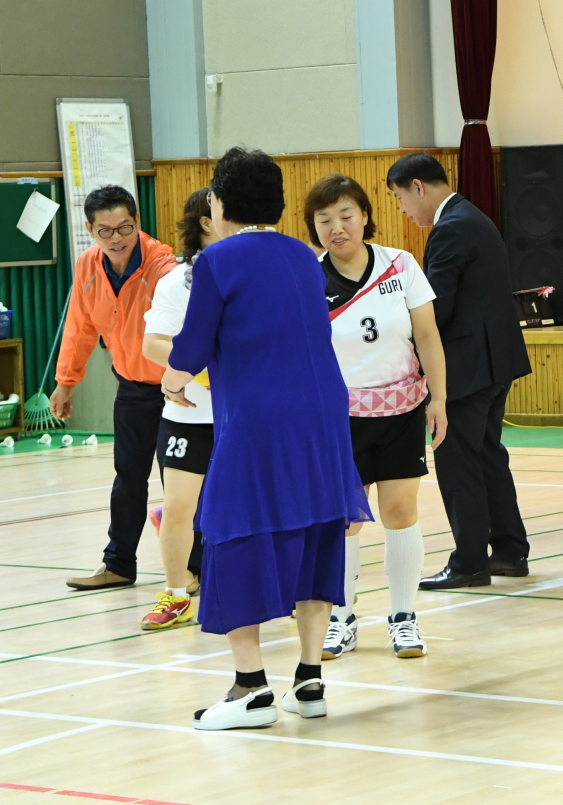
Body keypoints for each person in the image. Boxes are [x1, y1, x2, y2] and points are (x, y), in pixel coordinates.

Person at [162, 147, 371, 730]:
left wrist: (171, 381)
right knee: (315, 529)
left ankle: (251, 688)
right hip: (324, 412)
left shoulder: (217, 261)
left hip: (257, 417)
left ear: (219, 202)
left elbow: (192, 345)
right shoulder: (307, 258)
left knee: (234, 534)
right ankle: (309, 682)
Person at [305, 174, 448, 660]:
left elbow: (427, 335)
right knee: (345, 521)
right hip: (338, 416)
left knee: (400, 512)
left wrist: (439, 398)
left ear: (365, 216)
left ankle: (404, 618)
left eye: (346, 215)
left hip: (402, 409)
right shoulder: (309, 277)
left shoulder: (400, 265)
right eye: (324, 220)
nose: (336, 227)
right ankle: (341, 618)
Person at [385, 154, 532, 589]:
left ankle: (470, 561)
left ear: (418, 187)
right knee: (486, 454)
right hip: (493, 360)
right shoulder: (472, 217)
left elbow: (438, 307)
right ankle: (508, 550)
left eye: (400, 199)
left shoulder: (450, 228)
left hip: (467, 366)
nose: (403, 210)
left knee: (457, 460)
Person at [55, 184, 177, 592]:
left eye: (124, 227)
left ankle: (195, 567)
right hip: (131, 388)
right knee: (128, 480)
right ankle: (119, 564)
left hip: (177, 391)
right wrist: (65, 382)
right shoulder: (88, 265)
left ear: (138, 222)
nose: (116, 238)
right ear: (91, 230)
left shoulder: (164, 267)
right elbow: (80, 326)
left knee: (180, 482)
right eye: (105, 230)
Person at [137, 189, 217, 630]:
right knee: (178, 505)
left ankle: (290, 588)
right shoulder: (176, 281)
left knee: (264, 501)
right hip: (189, 415)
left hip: (245, 415)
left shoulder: (255, 272)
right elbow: (152, 343)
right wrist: (196, 371)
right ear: (206, 221)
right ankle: (176, 594)